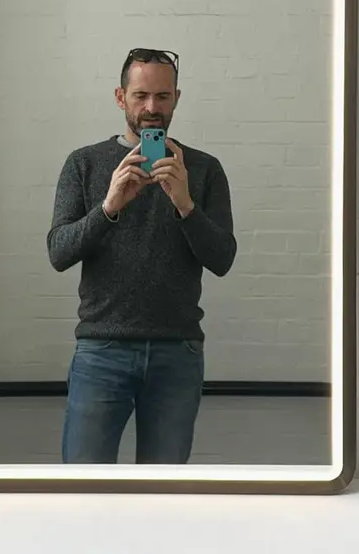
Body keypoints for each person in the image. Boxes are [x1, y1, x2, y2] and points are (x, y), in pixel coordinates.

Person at [46, 48, 237, 464]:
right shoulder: (84, 164)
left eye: (163, 96)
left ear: (177, 98)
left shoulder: (203, 169)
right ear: (121, 98)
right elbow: (59, 252)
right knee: (83, 483)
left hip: (178, 353)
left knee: (164, 489)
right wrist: (109, 207)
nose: (152, 107)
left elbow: (222, 259)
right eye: (141, 96)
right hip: (101, 350)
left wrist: (186, 205)